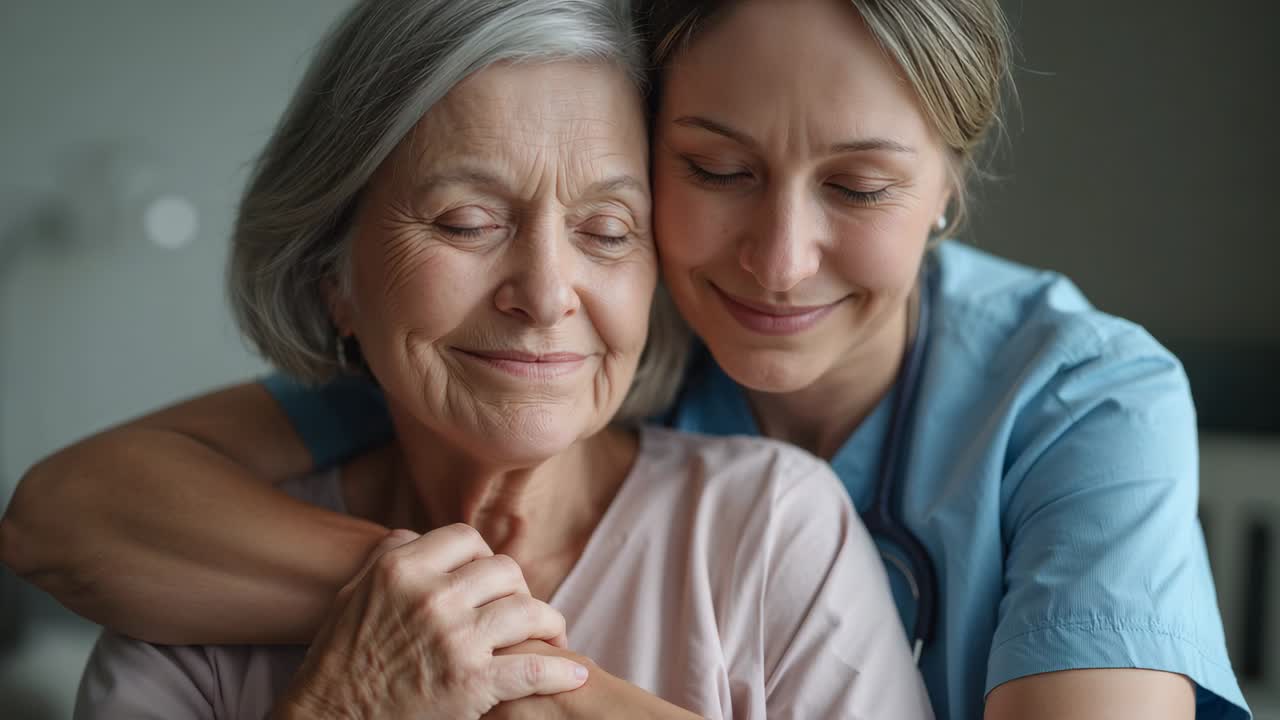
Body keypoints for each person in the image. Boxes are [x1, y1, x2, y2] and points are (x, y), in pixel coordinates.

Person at [1, 0, 1249, 718]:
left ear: (948, 191)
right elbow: (69, 513)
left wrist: (499, 660)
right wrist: (409, 623)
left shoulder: (1075, 402)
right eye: (712, 169)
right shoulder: (523, 372)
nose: (776, 262)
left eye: (860, 185)